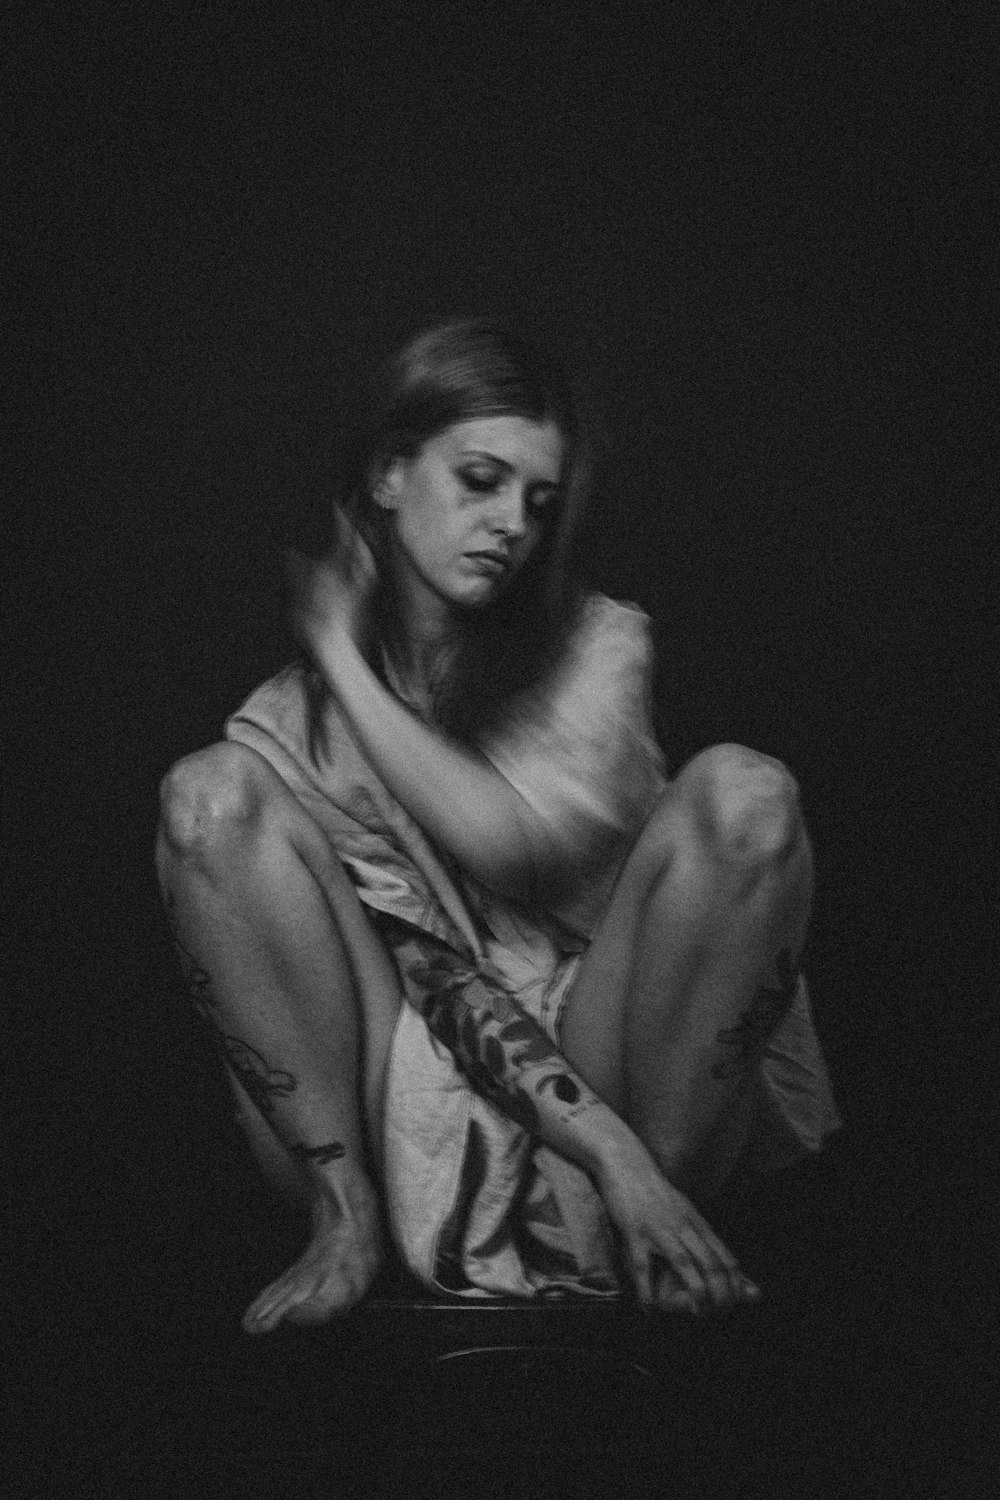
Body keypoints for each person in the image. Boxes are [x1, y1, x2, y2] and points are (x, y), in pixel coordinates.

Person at [155, 317, 840, 1335]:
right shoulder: (291, 725)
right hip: (401, 1084)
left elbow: (508, 850)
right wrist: (338, 673)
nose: (511, 522)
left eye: (537, 500)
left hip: (619, 1055)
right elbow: (436, 978)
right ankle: (345, 1220)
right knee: (211, 793)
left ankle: (659, 1208)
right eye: (479, 479)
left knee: (747, 794)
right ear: (391, 476)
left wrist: (339, 658)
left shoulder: (600, 649)